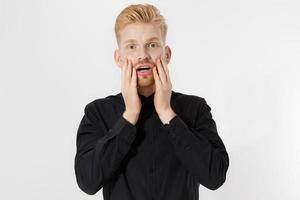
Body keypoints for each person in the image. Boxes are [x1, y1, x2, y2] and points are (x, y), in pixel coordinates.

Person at [74, 3, 229, 199]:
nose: (142, 56)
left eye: (152, 45)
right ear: (118, 58)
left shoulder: (195, 109)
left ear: (167, 54)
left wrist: (167, 112)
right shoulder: (98, 112)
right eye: (131, 47)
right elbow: (88, 182)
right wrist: (129, 115)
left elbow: (215, 176)